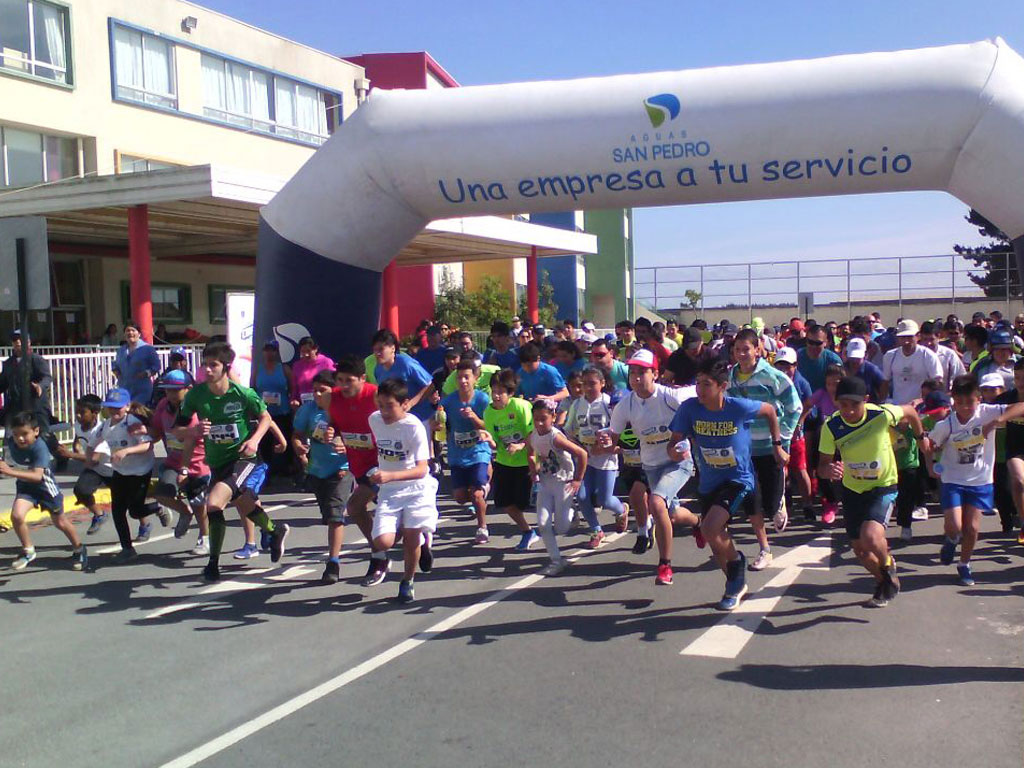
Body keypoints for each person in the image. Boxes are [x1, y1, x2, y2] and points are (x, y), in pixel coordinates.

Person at [670, 359, 787, 610]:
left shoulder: (738, 407)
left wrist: (777, 445)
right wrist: (675, 452)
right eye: (698, 383)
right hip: (709, 481)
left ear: (722, 386)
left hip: (738, 478)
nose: (700, 389)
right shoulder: (689, 409)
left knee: (710, 528)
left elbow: (769, 410)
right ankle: (733, 583)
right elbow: (674, 442)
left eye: (707, 384)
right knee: (715, 541)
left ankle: (737, 566)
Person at [176, 342, 288, 582]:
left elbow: (265, 417)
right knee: (243, 502)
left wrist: (256, 440)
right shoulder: (196, 395)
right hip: (217, 461)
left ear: (226, 367)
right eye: (204, 364)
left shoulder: (242, 393)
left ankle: (213, 563)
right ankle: (273, 530)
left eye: (213, 365)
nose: (207, 369)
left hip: (243, 457)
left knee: (214, 504)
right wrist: (193, 430)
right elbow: (177, 429)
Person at [817, 376, 925, 607]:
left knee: (871, 537)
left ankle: (888, 565)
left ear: (865, 401)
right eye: (843, 405)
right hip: (852, 489)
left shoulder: (881, 414)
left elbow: (910, 412)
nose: (849, 411)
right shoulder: (831, 426)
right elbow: (822, 466)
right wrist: (830, 470)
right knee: (861, 552)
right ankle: (884, 582)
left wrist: (921, 437)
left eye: (854, 405)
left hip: (883, 485)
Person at [603, 349, 697, 585]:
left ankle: (665, 565)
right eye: (633, 372)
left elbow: (696, 412)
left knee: (656, 503)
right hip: (652, 465)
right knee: (672, 514)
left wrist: (688, 442)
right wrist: (605, 442)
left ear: (655, 374)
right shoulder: (625, 405)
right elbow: (612, 440)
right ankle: (699, 524)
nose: (636, 377)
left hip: (678, 462)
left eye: (642, 372)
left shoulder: (670, 397)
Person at [927, 374, 1024, 586]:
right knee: (954, 524)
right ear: (953, 400)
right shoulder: (947, 424)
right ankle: (951, 539)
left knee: (971, 527)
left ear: (978, 399)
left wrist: (999, 420)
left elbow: (1021, 406)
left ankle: (964, 564)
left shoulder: (987, 413)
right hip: (953, 479)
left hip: (980, 480)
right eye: (959, 402)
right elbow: (928, 445)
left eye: (970, 402)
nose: (965, 407)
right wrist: (930, 458)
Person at [727, 328, 802, 569]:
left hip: (771, 446)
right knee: (752, 499)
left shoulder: (772, 376)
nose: (741, 354)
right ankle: (764, 549)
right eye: (737, 350)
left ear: (758, 349)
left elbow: (795, 408)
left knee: (770, 505)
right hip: (745, 448)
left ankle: (779, 501)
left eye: (746, 349)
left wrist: (783, 440)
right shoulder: (731, 377)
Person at [367, 378, 439, 604]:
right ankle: (422, 538)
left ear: (405, 404)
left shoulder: (414, 427)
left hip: (416, 489)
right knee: (382, 542)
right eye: (381, 405)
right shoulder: (374, 420)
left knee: (410, 538)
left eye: (390, 406)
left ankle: (407, 581)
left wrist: (390, 475)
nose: (384, 411)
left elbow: (421, 469)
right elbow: (373, 447)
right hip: (389, 491)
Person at [329, 355, 390, 586]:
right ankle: (415, 537)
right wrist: (332, 434)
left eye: (349, 381)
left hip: (384, 463)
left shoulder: (375, 396)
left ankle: (379, 556)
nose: (343, 386)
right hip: (358, 464)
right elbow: (332, 423)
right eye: (340, 380)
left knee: (355, 506)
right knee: (378, 514)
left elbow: (398, 419)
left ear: (363, 379)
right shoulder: (332, 398)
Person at [2, 411, 86, 572]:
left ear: (36, 431)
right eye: (16, 434)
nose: (20, 438)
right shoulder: (12, 443)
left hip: (45, 488)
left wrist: (9, 472)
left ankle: (79, 549)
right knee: (17, 515)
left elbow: (37, 476)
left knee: (60, 522)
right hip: (26, 488)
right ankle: (28, 550)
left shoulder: (39, 448)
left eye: (24, 434)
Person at [292, 371, 351, 584]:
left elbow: (360, 435)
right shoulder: (307, 411)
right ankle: (376, 546)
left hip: (342, 469)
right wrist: (299, 448)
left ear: (333, 391)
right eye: (314, 390)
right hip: (317, 471)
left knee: (336, 516)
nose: (317, 394)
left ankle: (333, 562)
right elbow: (297, 436)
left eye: (322, 390)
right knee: (328, 516)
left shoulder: (344, 410)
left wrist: (345, 446)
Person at [93, 388, 163, 561]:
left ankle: (159, 507)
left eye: (118, 407)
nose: (114, 411)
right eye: (111, 407)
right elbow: (94, 441)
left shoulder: (133, 422)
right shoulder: (106, 425)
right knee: (118, 511)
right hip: (120, 471)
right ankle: (127, 549)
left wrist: (127, 451)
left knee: (135, 510)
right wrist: (89, 455)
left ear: (127, 406)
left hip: (140, 471)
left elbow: (148, 446)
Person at [150, 370, 210, 556]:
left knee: (199, 503)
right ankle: (185, 512)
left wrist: (185, 469)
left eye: (175, 390)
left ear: (188, 389)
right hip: (173, 461)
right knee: (162, 493)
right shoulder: (163, 406)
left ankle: (205, 537)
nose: (170, 394)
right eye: (167, 390)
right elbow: (156, 431)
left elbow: (191, 441)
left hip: (198, 463)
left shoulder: (197, 409)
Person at [567, 366, 625, 547]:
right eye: (585, 384)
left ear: (602, 383)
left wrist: (607, 446)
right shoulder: (577, 404)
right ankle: (596, 530)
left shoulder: (609, 403)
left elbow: (622, 431)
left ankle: (622, 510)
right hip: (586, 458)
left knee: (604, 499)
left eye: (593, 384)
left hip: (606, 457)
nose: (588, 388)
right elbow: (568, 431)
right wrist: (578, 448)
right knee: (582, 496)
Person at [528, 399, 587, 574]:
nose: (539, 423)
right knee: (543, 523)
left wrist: (577, 479)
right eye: (536, 418)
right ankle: (556, 560)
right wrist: (533, 472)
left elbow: (582, 454)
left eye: (543, 419)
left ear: (553, 417)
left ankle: (572, 512)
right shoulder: (532, 435)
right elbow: (530, 453)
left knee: (561, 528)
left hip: (563, 483)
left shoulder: (556, 438)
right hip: (545, 483)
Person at [483, 368, 539, 550]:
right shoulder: (489, 413)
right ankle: (528, 532)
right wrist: (489, 440)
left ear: (510, 393)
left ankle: (566, 510)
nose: (497, 396)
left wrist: (520, 446)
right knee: (504, 502)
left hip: (528, 460)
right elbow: (495, 442)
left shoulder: (521, 406)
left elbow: (532, 432)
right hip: (504, 461)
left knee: (524, 503)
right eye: (494, 391)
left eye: (501, 392)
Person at [437, 360, 493, 544]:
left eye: (467, 377)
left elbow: (490, 425)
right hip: (457, 453)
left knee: (476, 495)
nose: (463, 381)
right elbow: (439, 421)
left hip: (478, 450)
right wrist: (437, 421)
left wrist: (475, 418)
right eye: (459, 377)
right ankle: (483, 485)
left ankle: (482, 527)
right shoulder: (449, 400)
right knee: (460, 498)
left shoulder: (483, 399)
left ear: (475, 378)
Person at [57, 394, 111, 535]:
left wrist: (71, 455)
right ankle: (99, 515)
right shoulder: (79, 425)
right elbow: (78, 437)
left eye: (82, 413)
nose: (78, 416)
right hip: (95, 470)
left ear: (95, 413)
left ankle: (148, 518)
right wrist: (76, 446)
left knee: (129, 502)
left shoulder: (100, 431)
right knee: (81, 490)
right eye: (77, 412)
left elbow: (94, 459)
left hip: (111, 469)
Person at [254, 341, 295, 481]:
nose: (269, 353)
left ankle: (286, 469)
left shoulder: (284, 369)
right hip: (264, 413)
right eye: (267, 350)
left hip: (282, 411)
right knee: (264, 442)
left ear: (277, 352)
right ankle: (266, 472)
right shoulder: (258, 369)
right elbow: (253, 388)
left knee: (284, 439)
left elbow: (292, 388)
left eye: (272, 350)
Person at [882, 319, 944, 404]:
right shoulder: (890, 356)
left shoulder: (928, 355)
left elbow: (938, 383)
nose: (906, 341)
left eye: (910, 337)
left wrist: (922, 400)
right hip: (898, 407)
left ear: (918, 336)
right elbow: (885, 381)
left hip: (922, 407)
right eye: (903, 337)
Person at [112, 322, 161, 405]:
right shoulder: (121, 350)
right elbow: (115, 364)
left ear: (139, 334)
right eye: (127, 331)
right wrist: (115, 370)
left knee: (136, 413)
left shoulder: (148, 349)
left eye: (133, 330)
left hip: (141, 390)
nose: (130, 333)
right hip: (124, 389)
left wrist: (146, 373)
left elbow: (156, 366)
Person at [290, 336, 335, 408]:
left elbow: (334, 385)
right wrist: (294, 400)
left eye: (308, 351)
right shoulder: (297, 365)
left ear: (315, 349)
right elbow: (295, 388)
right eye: (302, 351)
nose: (305, 354)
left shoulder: (326, 362)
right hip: (303, 406)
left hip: (323, 405)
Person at [797, 324, 843, 392]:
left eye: (818, 343)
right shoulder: (797, 356)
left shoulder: (833, 360)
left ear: (826, 343)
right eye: (811, 342)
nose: (813, 346)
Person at [919, 320, 966, 387]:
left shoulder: (949, 355)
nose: (928, 343)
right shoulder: (916, 354)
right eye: (925, 339)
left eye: (931, 339)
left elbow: (961, 376)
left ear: (938, 337)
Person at [843, 337, 887, 402]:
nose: (854, 361)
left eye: (858, 358)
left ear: (865, 354)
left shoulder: (872, 370)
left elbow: (884, 389)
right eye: (852, 357)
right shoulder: (841, 369)